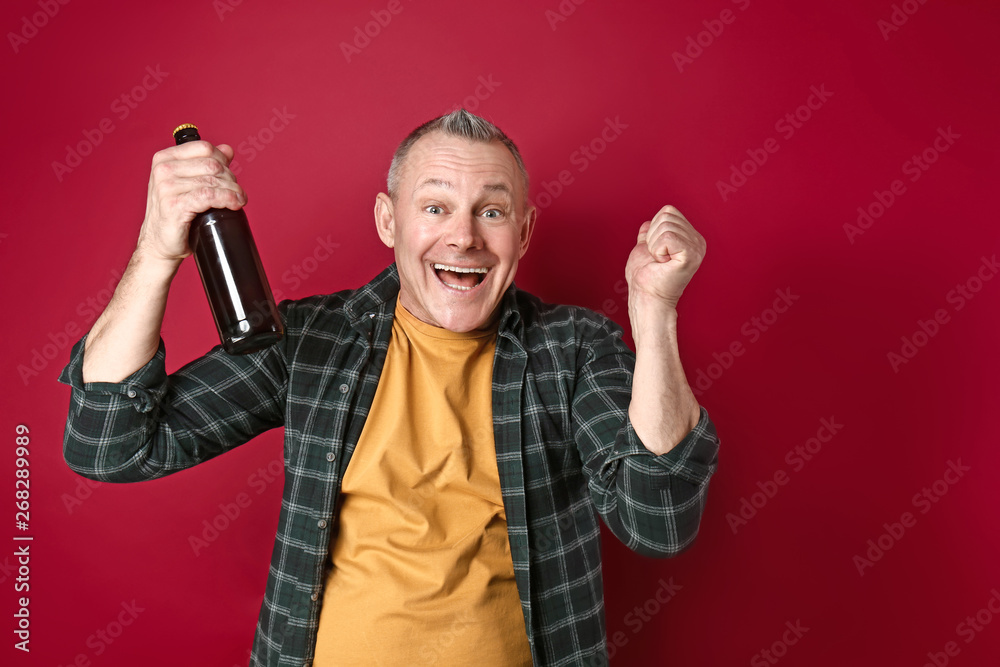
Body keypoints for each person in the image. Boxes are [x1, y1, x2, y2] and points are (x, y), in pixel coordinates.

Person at [59, 109, 719, 666]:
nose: (463, 235)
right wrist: (155, 249)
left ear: (522, 234)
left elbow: (657, 518)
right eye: (434, 205)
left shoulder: (573, 347)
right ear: (387, 221)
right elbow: (109, 444)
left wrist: (654, 312)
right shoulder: (312, 339)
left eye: (491, 210)